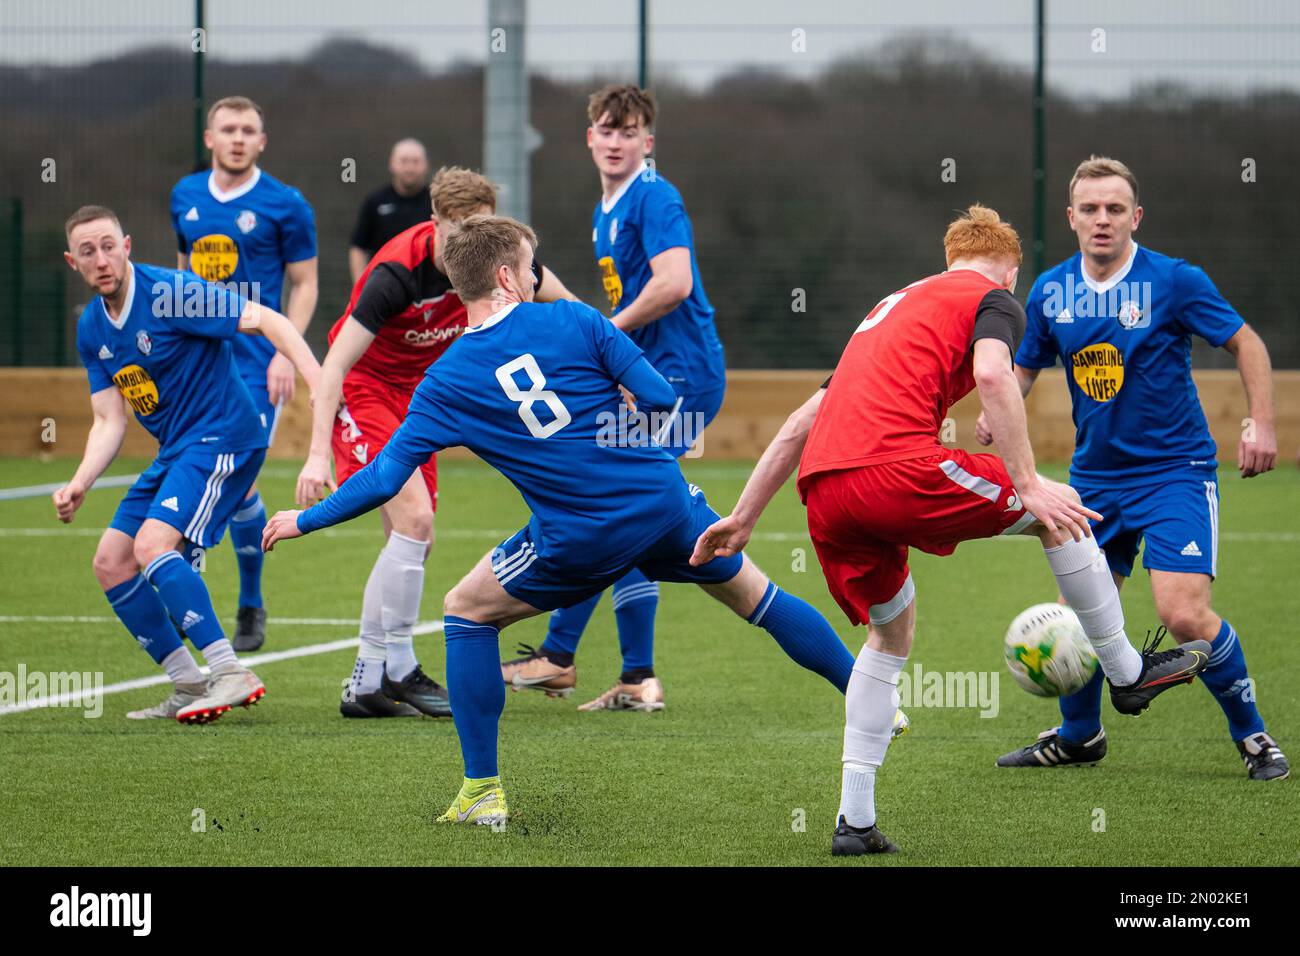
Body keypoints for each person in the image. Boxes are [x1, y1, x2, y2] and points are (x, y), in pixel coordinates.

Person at [265, 215, 855, 824]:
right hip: (664, 503)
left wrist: (303, 520)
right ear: (505, 276)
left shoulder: (442, 382)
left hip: (580, 537)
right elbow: (657, 399)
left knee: (465, 611)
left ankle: (481, 793)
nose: (533, 275)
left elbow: (384, 478)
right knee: (758, 596)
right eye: (528, 266)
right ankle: (873, 699)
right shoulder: (577, 319)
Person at [690, 205, 1212, 855]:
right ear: (1011, 272)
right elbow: (994, 374)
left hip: (824, 493)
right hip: (896, 471)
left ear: (948, 260)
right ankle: (1128, 671)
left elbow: (800, 422)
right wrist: (1026, 483)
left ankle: (855, 821)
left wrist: (743, 516)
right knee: (1065, 507)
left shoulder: (889, 308)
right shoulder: (992, 298)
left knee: (891, 630)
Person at [987, 157, 1287, 781]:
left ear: (1135, 217)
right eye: (1090, 209)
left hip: (1176, 470)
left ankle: (1253, 736)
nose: (1102, 220)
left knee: (1182, 613)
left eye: (1115, 209)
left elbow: (1246, 342)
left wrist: (1261, 421)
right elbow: (1022, 367)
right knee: (1082, 611)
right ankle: (1079, 737)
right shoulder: (1049, 290)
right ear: (1071, 218)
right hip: (1093, 479)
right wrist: (999, 408)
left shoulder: (1174, 281)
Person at [296, 168, 575, 719]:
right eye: (455, 233)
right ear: (433, 224)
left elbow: (568, 307)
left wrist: (612, 363)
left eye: (481, 230)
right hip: (367, 390)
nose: (468, 245)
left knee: (412, 541)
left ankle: (368, 682)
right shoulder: (395, 272)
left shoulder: (501, 259)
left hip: (421, 398)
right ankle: (395, 670)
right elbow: (334, 366)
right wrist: (315, 453)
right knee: (415, 523)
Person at [501, 84, 729, 713]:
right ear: (589, 137)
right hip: (654, 375)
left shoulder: (655, 196)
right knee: (626, 513)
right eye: (607, 129)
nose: (616, 140)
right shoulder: (607, 207)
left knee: (614, 507)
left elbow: (675, 283)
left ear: (646, 143)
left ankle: (560, 656)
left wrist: (606, 333)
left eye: (629, 132)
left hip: (679, 377)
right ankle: (633, 677)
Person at [55, 205, 320, 723]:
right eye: (88, 251)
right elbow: (109, 420)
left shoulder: (172, 292)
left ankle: (230, 671)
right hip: (177, 448)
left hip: (224, 436)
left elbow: (267, 319)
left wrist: (317, 382)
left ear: (127, 245)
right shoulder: (92, 328)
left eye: (109, 245)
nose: (101, 259)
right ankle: (187, 681)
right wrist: (80, 481)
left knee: (152, 544)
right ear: (73, 262)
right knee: (111, 562)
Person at [171, 95, 318, 652]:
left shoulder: (285, 204)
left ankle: (249, 596)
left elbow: (304, 282)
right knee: (210, 471)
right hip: (197, 361)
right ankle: (208, 575)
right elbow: (183, 276)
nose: (237, 137)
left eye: (248, 130)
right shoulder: (184, 196)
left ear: (262, 141)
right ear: (209, 138)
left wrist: (286, 350)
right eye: (227, 129)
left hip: (259, 365)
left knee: (237, 475)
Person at [348, 138, 433, 284]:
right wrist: (360, 287)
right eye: (404, 161)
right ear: (392, 164)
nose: (410, 167)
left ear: (426, 165)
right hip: (384, 285)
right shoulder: (375, 201)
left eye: (416, 161)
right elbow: (358, 248)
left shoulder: (438, 202)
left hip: (429, 290)